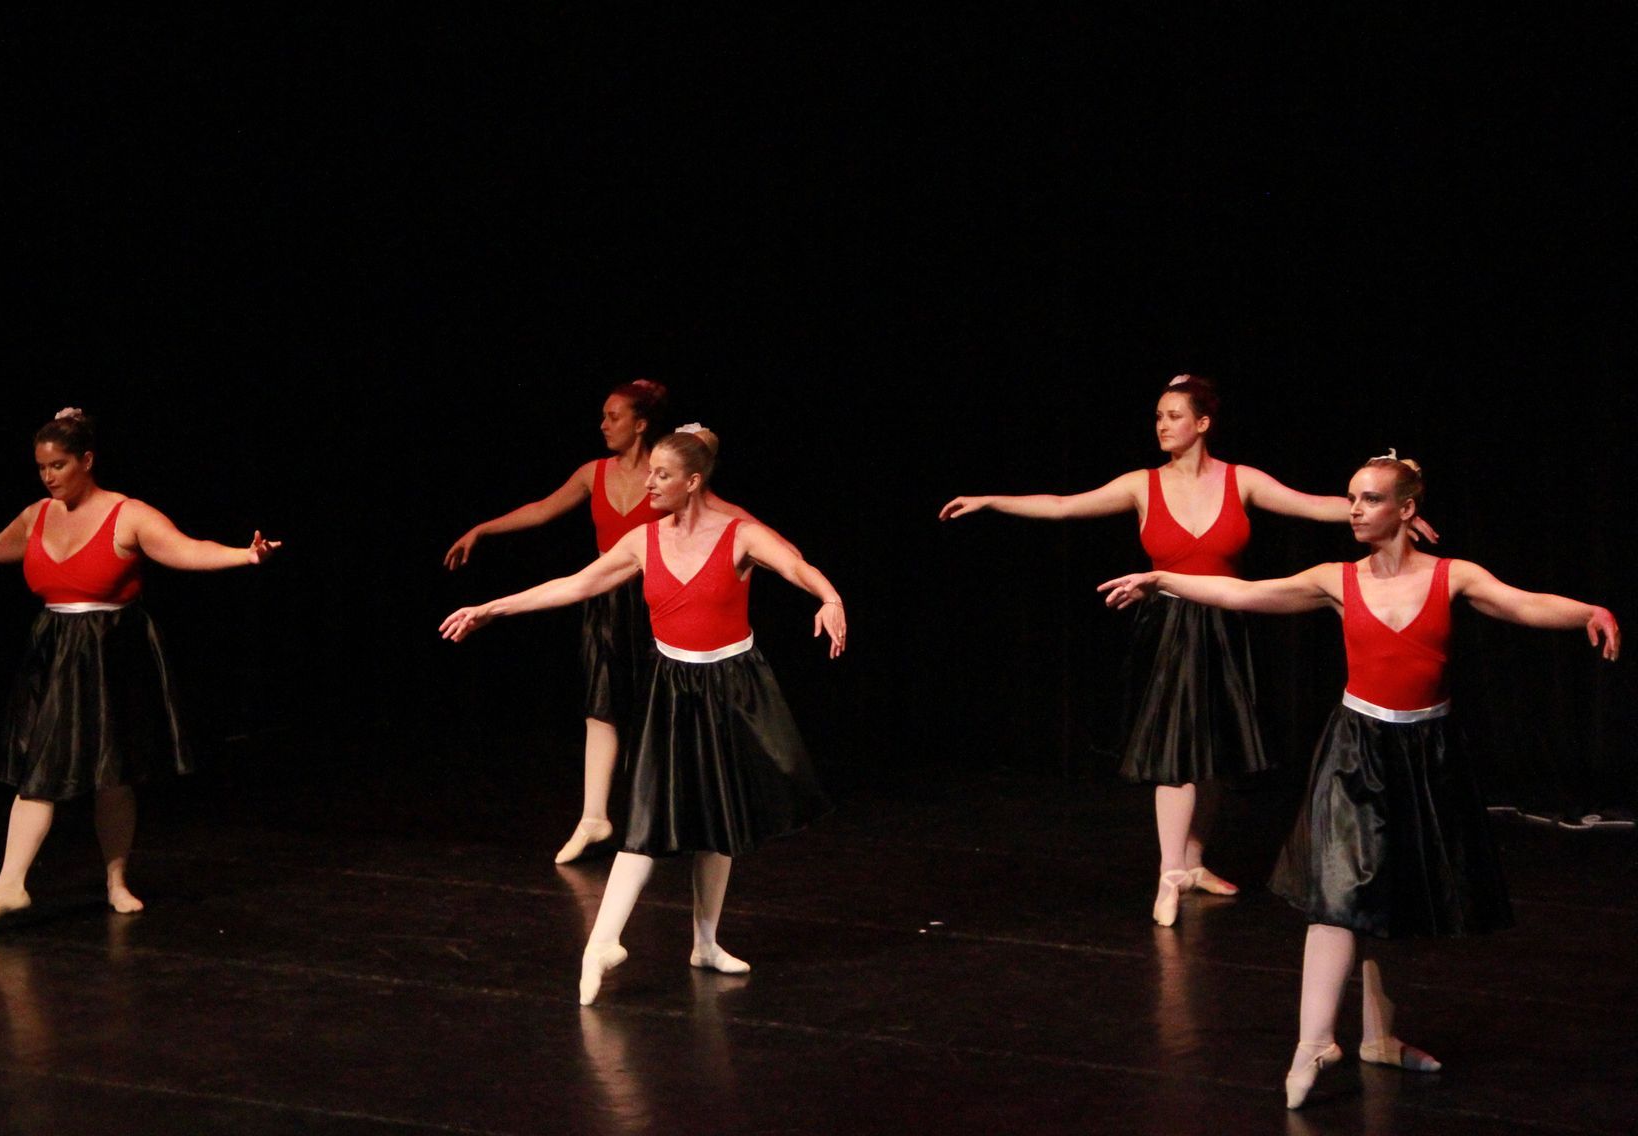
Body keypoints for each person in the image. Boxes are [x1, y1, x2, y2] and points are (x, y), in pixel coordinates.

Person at [1101, 454, 1618, 1108]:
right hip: (1356, 749)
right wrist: (1162, 580)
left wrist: (1586, 613)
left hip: (1426, 752)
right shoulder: (1334, 579)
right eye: (1350, 498)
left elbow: (1522, 604)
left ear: (1405, 509)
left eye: (1369, 499)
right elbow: (1246, 592)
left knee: (1391, 901)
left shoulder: (1453, 576)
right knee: (1339, 896)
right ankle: (1313, 1040)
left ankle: (1379, 1036)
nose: (1353, 510)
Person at [940, 374, 1437, 926]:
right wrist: (990, 500)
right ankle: (1169, 870)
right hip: (1170, 628)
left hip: (1227, 624)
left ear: (1202, 423)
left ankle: (1195, 862)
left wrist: (1396, 518)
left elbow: (1312, 505)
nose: (1161, 425)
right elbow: (1062, 505)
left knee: (1215, 753)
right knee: (1175, 753)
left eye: (1173, 415)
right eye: (1157, 416)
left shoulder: (1239, 480)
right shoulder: (1141, 484)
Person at [442, 426, 843, 1004]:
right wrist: (493, 608)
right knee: (646, 817)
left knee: (720, 822)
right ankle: (602, 941)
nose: (648, 483)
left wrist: (829, 599)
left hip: (732, 687)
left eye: (660, 475)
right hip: (673, 688)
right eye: (649, 470)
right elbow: (575, 585)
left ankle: (705, 942)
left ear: (692, 481)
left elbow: (796, 566)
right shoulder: (641, 542)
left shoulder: (738, 535)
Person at [0, 408, 280, 937]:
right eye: (42, 467)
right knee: (41, 771)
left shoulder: (128, 515)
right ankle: (11, 883)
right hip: (54, 649)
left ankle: (114, 880)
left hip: (109, 651)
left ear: (87, 460)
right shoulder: (38, 514)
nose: (49, 476)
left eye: (59, 465)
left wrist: (244, 557)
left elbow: (185, 550)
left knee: (111, 774)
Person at [445, 381, 784, 865]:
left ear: (640, 423)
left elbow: (735, 522)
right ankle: (594, 816)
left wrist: (790, 565)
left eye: (613, 416)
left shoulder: (670, 473)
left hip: (660, 598)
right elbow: (542, 510)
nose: (603, 425)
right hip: (605, 594)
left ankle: (673, 813)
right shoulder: (594, 472)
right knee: (601, 702)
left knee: (659, 708)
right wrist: (483, 528)